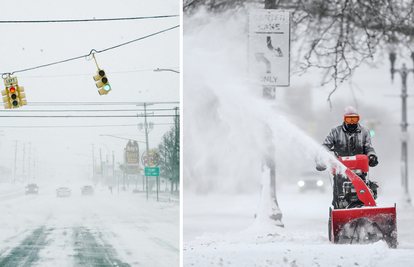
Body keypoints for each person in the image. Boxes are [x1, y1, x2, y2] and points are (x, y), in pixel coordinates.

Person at [316, 106, 379, 209]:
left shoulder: (364, 132)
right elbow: (325, 146)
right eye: (348, 119)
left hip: (360, 171)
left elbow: (368, 147)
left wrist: (372, 156)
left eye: (354, 119)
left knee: (363, 193)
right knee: (339, 196)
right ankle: (339, 209)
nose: (352, 122)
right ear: (344, 119)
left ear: (358, 119)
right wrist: (321, 157)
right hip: (341, 171)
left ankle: (365, 207)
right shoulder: (335, 132)